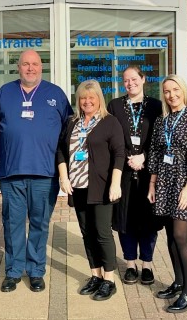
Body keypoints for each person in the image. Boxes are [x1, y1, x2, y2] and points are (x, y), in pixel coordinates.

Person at [0, 49, 73, 293]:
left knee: (39, 224)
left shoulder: (55, 94)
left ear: (41, 67)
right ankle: (14, 272)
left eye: (35, 64)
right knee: (13, 224)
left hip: (45, 174)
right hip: (12, 172)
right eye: (25, 64)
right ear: (18, 67)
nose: (30, 68)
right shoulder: (5, 92)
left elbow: (68, 132)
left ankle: (36, 271)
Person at [57, 79, 125, 301]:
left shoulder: (109, 122)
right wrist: (63, 177)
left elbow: (119, 154)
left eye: (91, 97)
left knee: (102, 233)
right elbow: (60, 151)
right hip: (78, 187)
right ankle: (95, 275)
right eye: (83, 98)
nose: (87, 101)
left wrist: (115, 183)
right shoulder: (72, 122)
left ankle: (109, 280)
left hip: (102, 187)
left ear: (99, 99)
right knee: (87, 233)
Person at [147, 74, 187, 313]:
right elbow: (154, 152)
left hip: (185, 184)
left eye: (175, 90)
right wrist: (152, 184)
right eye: (166, 91)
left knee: (181, 237)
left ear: (183, 91)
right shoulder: (163, 121)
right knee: (171, 237)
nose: (171, 95)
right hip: (164, 183)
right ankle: (179, 282)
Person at [107, 66, 163, 285]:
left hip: (150, 174)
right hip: (123, 170)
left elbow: (160, 139)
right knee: (125, 219)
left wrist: (145, 157)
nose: (130, 83)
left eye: (134, 79)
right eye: (126, 80)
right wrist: (129, 158)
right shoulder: (115, 106)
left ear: (143, 79)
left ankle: (147, 264)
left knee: (148, 219)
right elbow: (112, 137)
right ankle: (130, 264)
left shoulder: (157, 106)